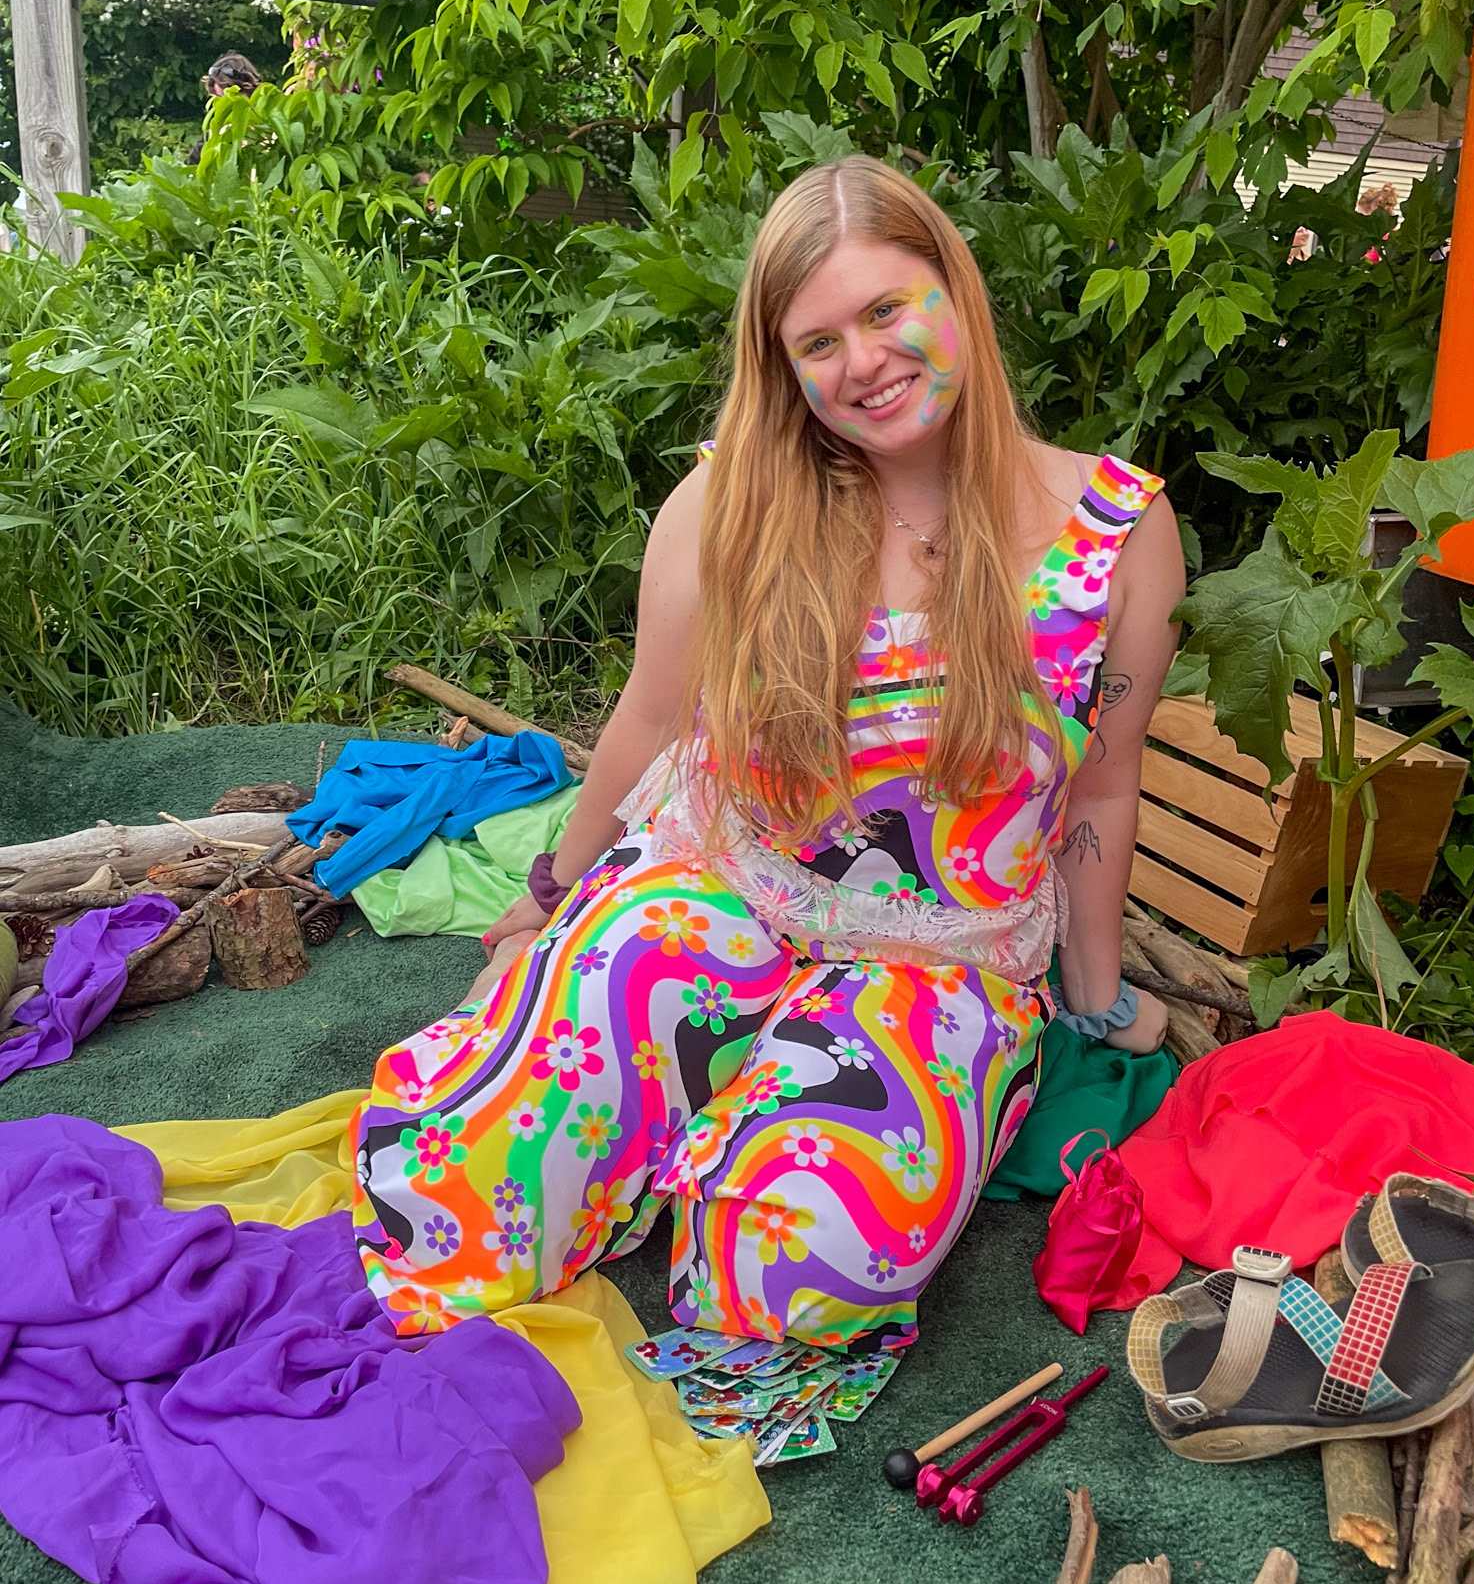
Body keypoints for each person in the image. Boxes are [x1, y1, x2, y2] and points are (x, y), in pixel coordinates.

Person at [350, 157, 1185, 1345]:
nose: (866, 362)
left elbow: (1102, 782)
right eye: (819, 342)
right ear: (783, 365)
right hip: (724, 885)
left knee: (801, 1273)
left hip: (941, 963)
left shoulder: (1117, 533)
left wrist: (1094, 998)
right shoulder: (730, 503)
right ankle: (635, 1098)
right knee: (464, 1193)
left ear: (956, 288)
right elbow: (650, 717)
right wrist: (551, 896)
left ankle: (732, 1142)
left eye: (887, 310)